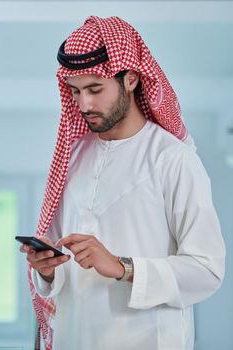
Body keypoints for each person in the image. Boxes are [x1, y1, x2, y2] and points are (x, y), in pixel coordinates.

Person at [20, 16, 226, 350]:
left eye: (95, 89)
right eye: (75, 91)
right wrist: (46, 269)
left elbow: (207, 271)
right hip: (75, 338)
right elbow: (60, 263)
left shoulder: (172, 159)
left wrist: (121, 267)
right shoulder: (74, 157)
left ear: (130, 79)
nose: (84, 104)